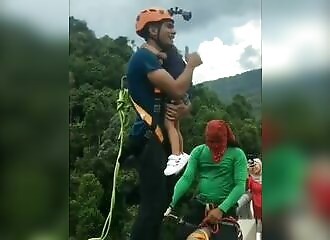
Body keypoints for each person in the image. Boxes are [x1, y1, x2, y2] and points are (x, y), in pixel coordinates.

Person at [126, 7, 202, 240]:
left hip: (159, 142)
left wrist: (184, 110)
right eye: (168, 26)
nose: (174, 31)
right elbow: (178, 87)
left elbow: (179, 99)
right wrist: (191, 65)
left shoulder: (158, 60)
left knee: (161, 206)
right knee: (152, 207)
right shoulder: (143, 59)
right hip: (150, 141)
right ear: (152, 30)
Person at [164, 120, 248, 240]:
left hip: (226, 210)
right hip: (200, 207)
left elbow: (240, 186)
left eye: (218, 142)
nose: (214, 145)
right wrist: (171, 204)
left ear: (225, 139)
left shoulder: (237, 154)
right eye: (210, 142)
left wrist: (221, 209)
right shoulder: (198, 152)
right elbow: (187, 179)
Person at [141, 43, 192, 176]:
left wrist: (149, 51)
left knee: (169, 125)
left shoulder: (167, 53)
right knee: (176, 125)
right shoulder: (177, 58)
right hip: (182, 92)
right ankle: (180, 153)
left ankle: (176, 156)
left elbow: (160, 55)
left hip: (173, 92)